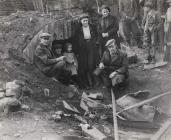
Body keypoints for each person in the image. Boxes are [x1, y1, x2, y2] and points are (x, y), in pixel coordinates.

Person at [75, 13, 99, 89]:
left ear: (88, 20)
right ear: (81, 21)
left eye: (86, 20)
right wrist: (77, 51)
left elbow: (97, 35)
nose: (85, 22)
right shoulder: (78, 29)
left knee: (91, 64)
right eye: (83, 21)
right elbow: (75, 40)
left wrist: (96, 42)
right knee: (84, 66)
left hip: (91, 46)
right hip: (83, 48)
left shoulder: (92, 27)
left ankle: (95, 82)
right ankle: (87, 83)